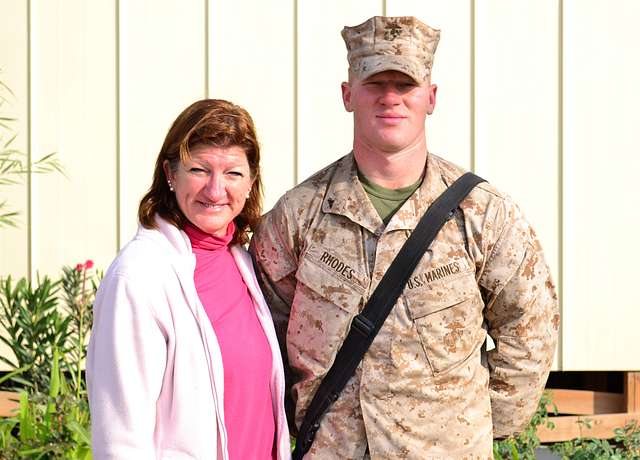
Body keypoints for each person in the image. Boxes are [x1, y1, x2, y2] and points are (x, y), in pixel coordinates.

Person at [250, 16, 559, 458]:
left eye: (406, 84)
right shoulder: (298, 216)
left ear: (430, 98)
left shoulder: (484, 215)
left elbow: (530, 325)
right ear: (347, 95)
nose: (391, 98)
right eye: (375, 83)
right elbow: (264, 335)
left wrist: (468, 424)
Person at [87, 99, 291, 459]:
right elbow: (120, 438)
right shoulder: (139, 277)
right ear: (170, 173)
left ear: (251, 181)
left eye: (233, 173)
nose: (215, 190)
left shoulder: (244, 263)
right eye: (199, 169)